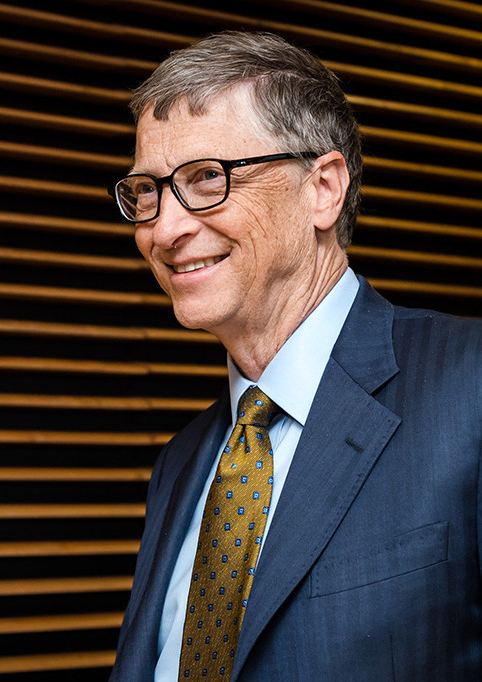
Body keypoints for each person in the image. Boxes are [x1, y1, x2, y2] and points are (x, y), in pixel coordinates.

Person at [107, 31, 481, 681]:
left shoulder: (469, 386)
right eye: (147, 191)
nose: (163, 229)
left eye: (206, 178)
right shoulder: (182, 460)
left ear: (323, 188)